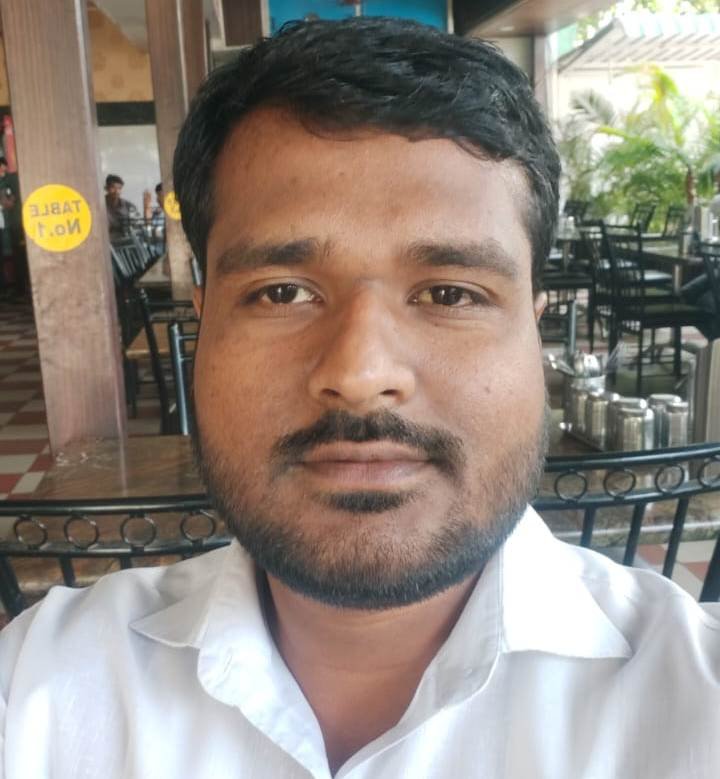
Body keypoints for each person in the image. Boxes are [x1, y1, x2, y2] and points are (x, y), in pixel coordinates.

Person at [1, 18, 719, 778]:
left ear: (534, 332)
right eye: (282, 292)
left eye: (450, 292)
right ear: (203, 325)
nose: (361, 371)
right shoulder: (38, 689)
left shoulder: (694, 702)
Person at [104, 172, 139, 241]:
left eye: (119, 188)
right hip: (107, 241)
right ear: (106, 188)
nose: (116, 191)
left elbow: (135, 224)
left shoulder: (128, 206)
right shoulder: (99, 206)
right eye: (113, 187)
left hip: (126, 240)